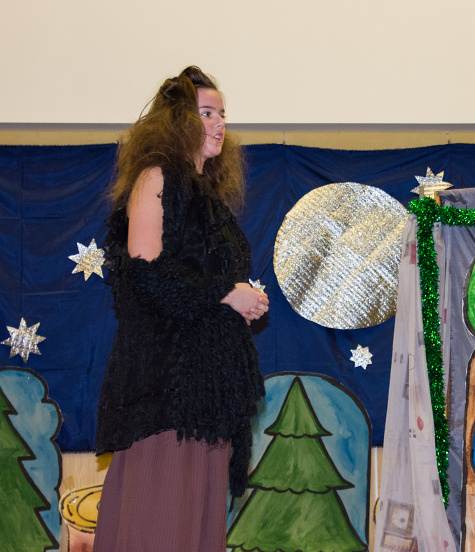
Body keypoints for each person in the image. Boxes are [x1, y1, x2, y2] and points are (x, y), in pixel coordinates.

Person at [94, 66, 268, 552]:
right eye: (207, 113)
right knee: (160, 527)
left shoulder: (207, 197)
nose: (220, 123)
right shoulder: (156, 177)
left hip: (205, 398)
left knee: (194, 530)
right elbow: (146, 274)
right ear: (177, 122)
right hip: (168, 394)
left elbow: (192, 281)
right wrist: (227, 293)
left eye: (222, 114)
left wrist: (238, 302)